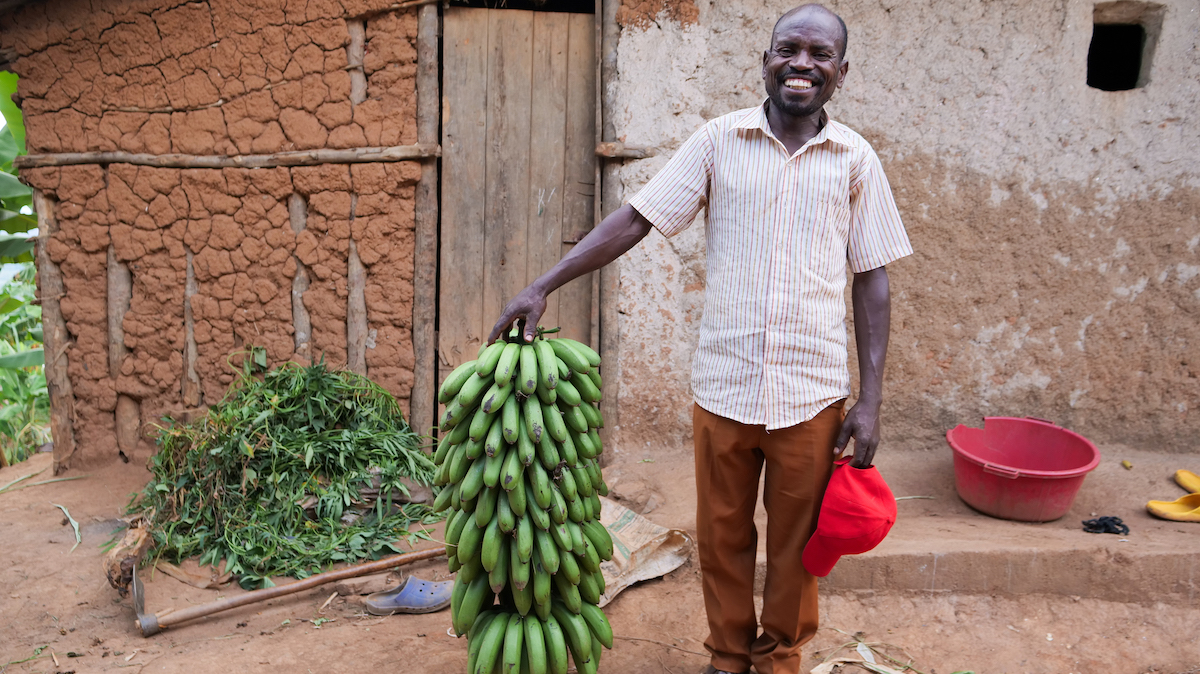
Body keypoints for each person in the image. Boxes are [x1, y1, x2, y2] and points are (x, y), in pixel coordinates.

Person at [488, 4, 912, 673]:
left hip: (812, 393)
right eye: (788, 49)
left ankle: (779, 659)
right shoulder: (719, 140)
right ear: (766, 60)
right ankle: (727, 656)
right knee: (721, 540)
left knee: (800, 546)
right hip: (725, 385)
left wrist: (871, 399)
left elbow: (874, 279)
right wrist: (545, 283)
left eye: (819, 54)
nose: (802, 64)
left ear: (841, 72)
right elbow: (638, 218)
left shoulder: (854, 159)